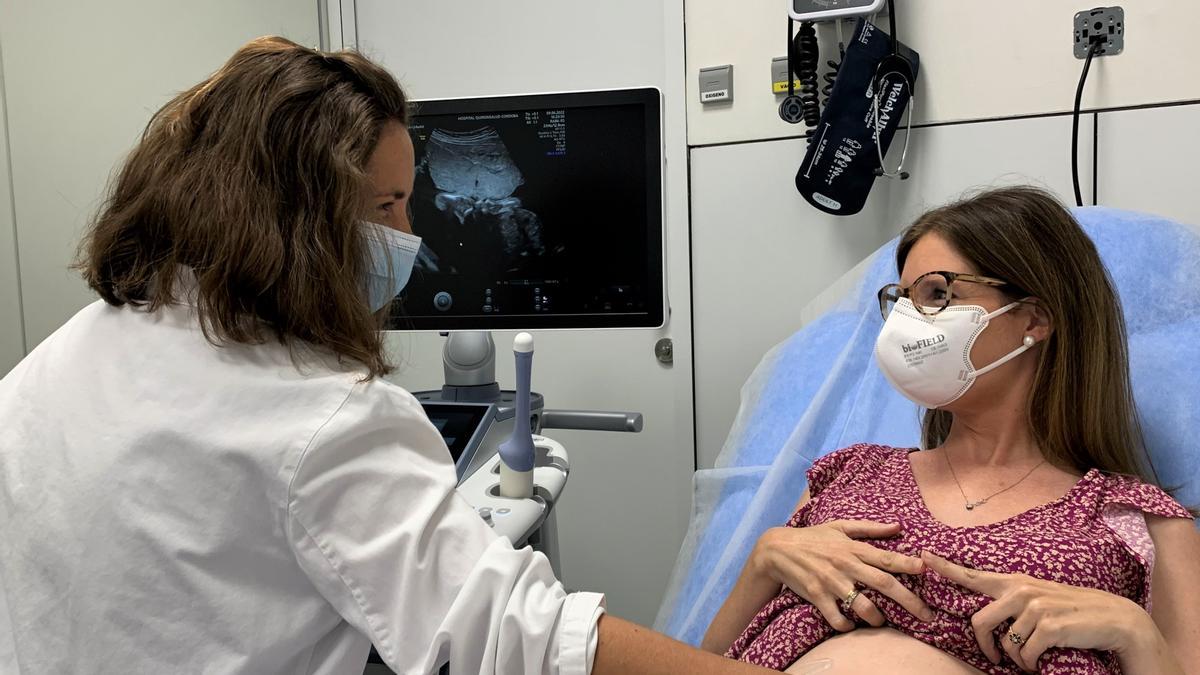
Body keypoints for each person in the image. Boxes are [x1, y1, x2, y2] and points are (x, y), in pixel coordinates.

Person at [0, 36, 777, 675]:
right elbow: (516, 634)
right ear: (296, 214)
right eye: (386, 206)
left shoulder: (70, 349)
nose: (410, 234)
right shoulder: (320, 415)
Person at [702, 187, 1200, 674]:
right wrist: (765, 560)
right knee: (618, 647)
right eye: (901, 299)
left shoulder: (1133, 520)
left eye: (937, 294)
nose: (906, 321)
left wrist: (1134, 630)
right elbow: (704, 663)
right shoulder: (848, 472)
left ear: (1035, 318)